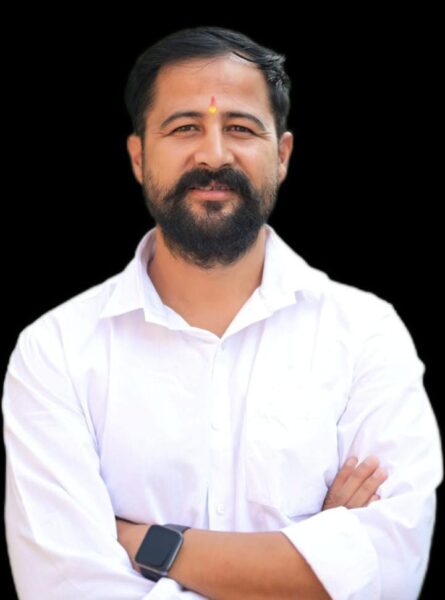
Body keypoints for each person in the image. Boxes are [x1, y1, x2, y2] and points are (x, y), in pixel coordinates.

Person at [2, 25, 442, 600]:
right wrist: (312, 562)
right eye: (185, 127)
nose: (213, 154)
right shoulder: (57, 351)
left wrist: (145, 544)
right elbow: (66, 590)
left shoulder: (366, 337)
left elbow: (390, 576)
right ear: (138, 157)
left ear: (282, 155)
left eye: (240, 128)